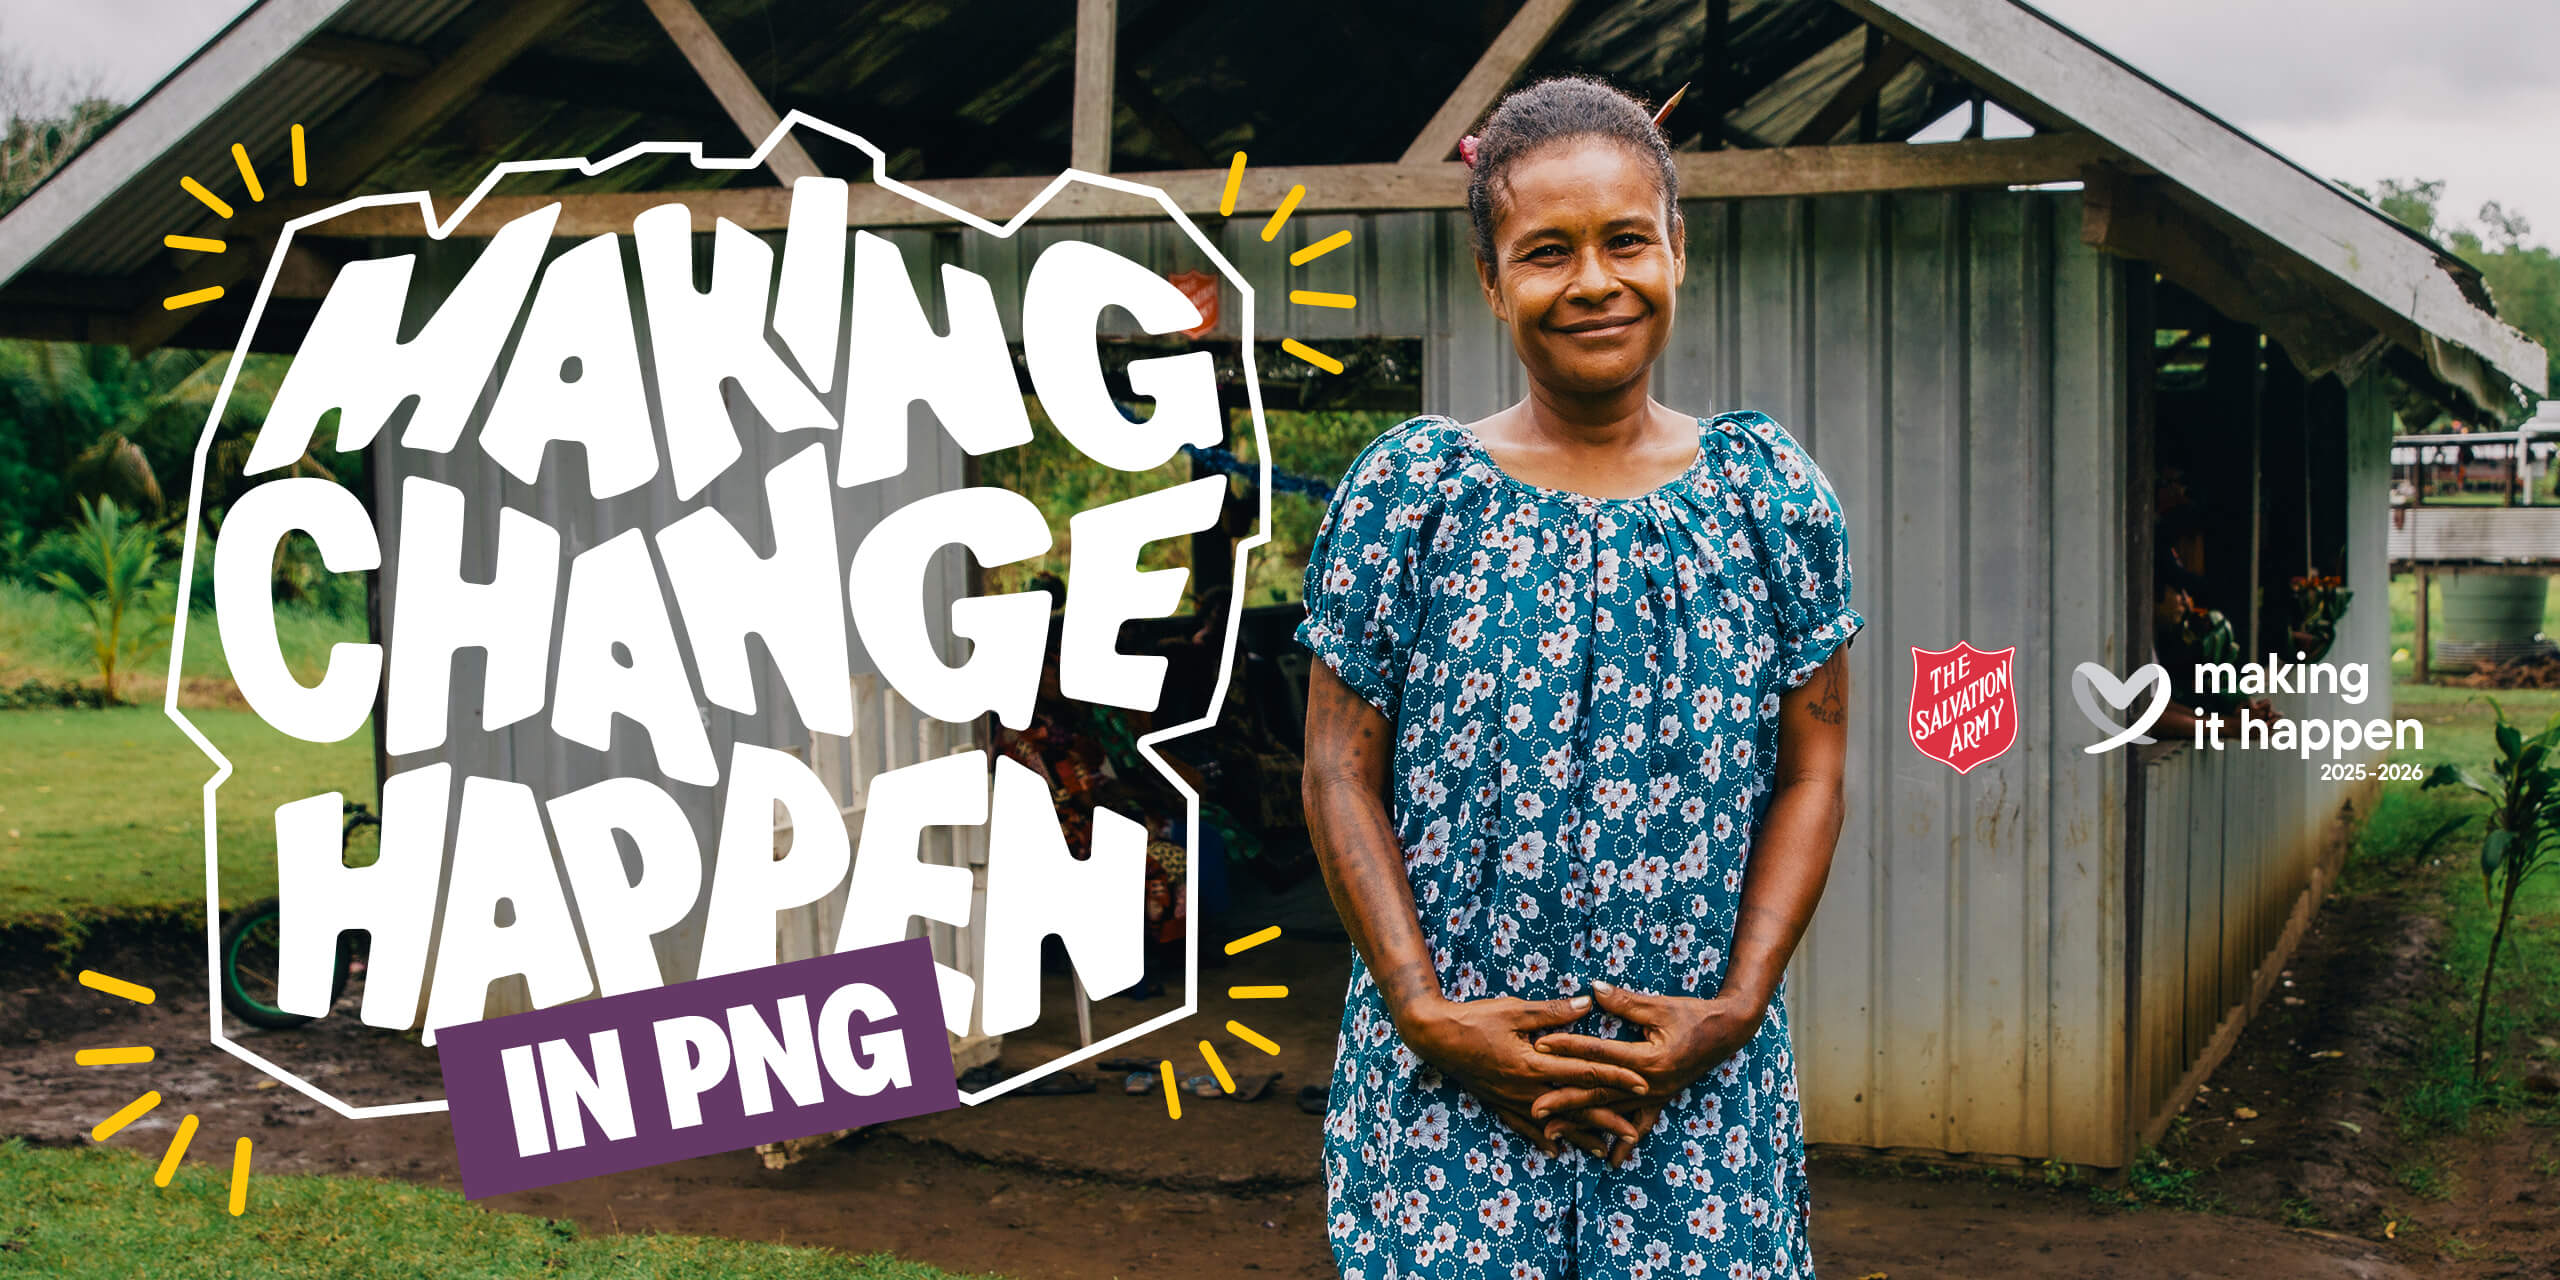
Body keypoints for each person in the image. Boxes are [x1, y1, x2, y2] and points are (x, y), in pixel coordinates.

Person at [1296, 77, 1858, 1280]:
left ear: (1676, 250)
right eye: (1545, 251)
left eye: (1623, 240)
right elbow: (1337, 768)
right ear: (1493, 281)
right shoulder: (1413, 497)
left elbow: (1814, 769)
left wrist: (1736, 1006)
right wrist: (1424, 1012)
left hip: (1695, 1100)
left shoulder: (1771, 500)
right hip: (1446, 1099)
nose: (1592, 280)